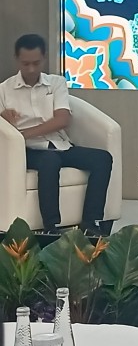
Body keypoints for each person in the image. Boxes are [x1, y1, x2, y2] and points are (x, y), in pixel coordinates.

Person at [0, 33, 113, 236]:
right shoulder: (4, 90)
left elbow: (62, 120)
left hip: (60, 145)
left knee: (102, 158)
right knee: (49, 161)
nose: (31, 69)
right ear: (17, 59)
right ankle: (51, 227)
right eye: (26, 64)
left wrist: (23, 133)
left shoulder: (56, 83)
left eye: (36, 63)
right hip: (27, 151)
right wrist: (4, 119)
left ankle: (90, 222)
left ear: (44, 58)